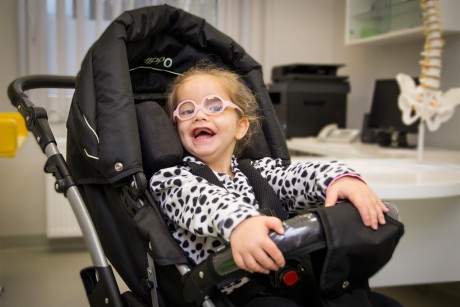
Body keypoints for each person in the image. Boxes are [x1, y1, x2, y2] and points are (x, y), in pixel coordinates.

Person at [150, 63, 389, 306]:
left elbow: (295, 177)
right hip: (239, 296)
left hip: (294, 278)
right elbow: (203, 201)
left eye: (214, 106)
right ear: (176, 128)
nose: (200, 115)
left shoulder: (256, 171)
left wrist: (340, 178)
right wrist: (241, 223)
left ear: (241, 127)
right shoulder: (173, 180)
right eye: (187, 110)